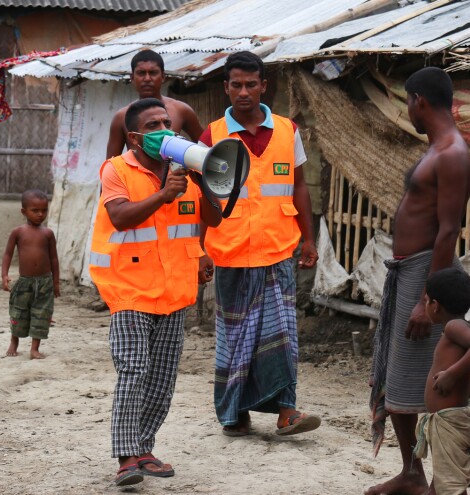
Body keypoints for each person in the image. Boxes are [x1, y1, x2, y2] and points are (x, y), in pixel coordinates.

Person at [89, 97, 222, 487]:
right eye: (152, 126)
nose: (165, 130)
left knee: (162, 377)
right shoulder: (116, 169)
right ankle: (127, 456)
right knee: (134, 369)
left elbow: (210, 218)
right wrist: (164, 194)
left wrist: (206, 182)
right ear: (133, 137)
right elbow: (119, 216)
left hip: (175, 289)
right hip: (128, 287)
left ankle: (144, 448)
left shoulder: (184, 171)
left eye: (168, 122)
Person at [199, 51, 320, 437]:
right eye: (236, 85)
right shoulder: (212, 136)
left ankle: (287, 411)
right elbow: (199, 198)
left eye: (251, 84)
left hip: (278, 251)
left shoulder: (288, 130)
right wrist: (199, 250)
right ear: (226, 87)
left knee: (282, 335)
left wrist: (309, 239)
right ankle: (235, 413)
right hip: (231, 252)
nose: (244, 92)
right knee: (235, 339)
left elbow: (300, 187)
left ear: (264, 86)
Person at [367, 66, 470, 495]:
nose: (407, 111)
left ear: (419, 101)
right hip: (408, 271)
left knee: (423, 378)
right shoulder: (437, 149)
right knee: (398, 375)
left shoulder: (452, 153)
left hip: (425, 274)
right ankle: (412, 472)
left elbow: (448, 229)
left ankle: (435, 479)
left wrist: (427, 298)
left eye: (407, 103)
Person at [414, 268, 470, 495]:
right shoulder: (459, 330)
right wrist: (467, 386)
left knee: (451, 488)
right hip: (450, 421)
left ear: (435, 305)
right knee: (443, 485)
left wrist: (452, 374)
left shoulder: (453, 327)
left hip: (451, 425)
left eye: (426, 301)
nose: (426, 305)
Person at [106, 49, 203, 159]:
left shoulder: (181, 110)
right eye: (141, 73)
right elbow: (111, 164)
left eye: (153, 73)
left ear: (163, 77)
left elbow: (206, 148)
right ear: (132, 77)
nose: (147, 79)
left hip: (174, 175)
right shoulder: (121, 117)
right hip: (137, 175)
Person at [1, 189, 60, 360]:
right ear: (23, 211)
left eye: (44, 210)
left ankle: (35, 349)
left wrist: (55, 283)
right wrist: (4, 275)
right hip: (24, 282)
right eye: (35, 210)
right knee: (19, 312)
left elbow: (54, 259)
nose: (40, 214)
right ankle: (14, 341)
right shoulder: (18, 232)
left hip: (45, 283)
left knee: (42, 314)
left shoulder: (48, 234)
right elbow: (7, 254)